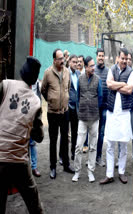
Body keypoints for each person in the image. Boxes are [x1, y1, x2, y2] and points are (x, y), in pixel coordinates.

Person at [0, 56, 44, 213]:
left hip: (0, 156)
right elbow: (39, 137)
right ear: (34, 79)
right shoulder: (35, 101)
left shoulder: (5, 85)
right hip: (19, 160)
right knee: (34, 205)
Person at [100, 47, 133, 185]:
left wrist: (116, 85)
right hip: (112, 113)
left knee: (124, 145)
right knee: (110, 145)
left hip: (124, 113)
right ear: (118, 58)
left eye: (126, 59)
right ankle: (109, 174)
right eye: (122, 58)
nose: (124, 61)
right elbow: (109, 84)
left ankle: (121, 172)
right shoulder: (111, 69)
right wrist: (122, 84)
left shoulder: (131, 72)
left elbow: (129, 89)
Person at [41, 48, 75, 179]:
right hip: (53, 113)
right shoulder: (48, 73)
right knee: (53, 140)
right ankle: (53, 167)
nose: (62, 60)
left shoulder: (67, 72)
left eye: (63, 58)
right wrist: (51, 101)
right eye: (60, 59)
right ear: (54, 60)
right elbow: (43, 89)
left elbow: (68, 87)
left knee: (65, 139)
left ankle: (66, 165)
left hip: (65, 112)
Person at [72, 56, 102, 183]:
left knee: (93, 146)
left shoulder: (98, 80)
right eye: (90, 66)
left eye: (94, 65)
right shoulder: (80, 79)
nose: (93, 67)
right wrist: (81, 110)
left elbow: (100, 97)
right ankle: (77, 171)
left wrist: (94, 108)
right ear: (85, 67)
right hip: (83, 119)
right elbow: (78, 97)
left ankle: (90, 171)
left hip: (94, 118)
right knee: (79, 146)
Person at [94, 48, 109, 167]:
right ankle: (92, 156)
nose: (101, 57)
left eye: (102, 56)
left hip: (104, 107)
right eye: (99, 55)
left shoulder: (109, 71)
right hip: (94, 107)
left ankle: (99, 156)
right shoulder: (92, 71)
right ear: (96, 57)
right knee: (93, 132)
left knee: (101, 133)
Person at [68, 54, 80, 160]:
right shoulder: (65, 73)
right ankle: (62, 156)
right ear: (69, 62)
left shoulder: (78, 73)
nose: (75, 64)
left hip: (76, 108)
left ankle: (73, 153)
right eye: (74, 62)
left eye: (77, 62)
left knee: (75, 132)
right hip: (67, 107)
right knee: (64, 133)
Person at [29, 79, 42, 177]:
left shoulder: (36, 82)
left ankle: (34, 167)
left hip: (33, 115)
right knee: (23, 143)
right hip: (23, 114)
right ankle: (25, 168)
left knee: (32, 143)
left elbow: (39, 96)